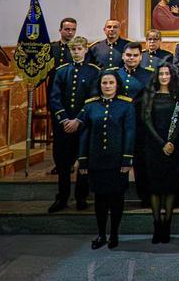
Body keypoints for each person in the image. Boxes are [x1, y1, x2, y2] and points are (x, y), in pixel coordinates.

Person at [77, 71, 135, 250]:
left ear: (117, 84)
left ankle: (114, 234)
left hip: (117, 161)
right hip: (96, 160)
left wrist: (127, 160)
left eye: (111, 83)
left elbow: (130, 133)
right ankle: (101, 233)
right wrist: (83, 159)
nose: (108, 86)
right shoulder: (90, 106)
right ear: (100, 85)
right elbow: (84, 134)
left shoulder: (126, 105)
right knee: (100, 200)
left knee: (116, 199)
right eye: (104, 83)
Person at [47, 36, 99, 213]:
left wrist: (78, 120)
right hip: (64, 126)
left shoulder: (94, 72)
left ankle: (81, 197)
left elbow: (93, 99)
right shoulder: (61, 71)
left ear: (85, 50)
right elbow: (54, 97)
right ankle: (62, 197)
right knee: (63, 163)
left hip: (83, 125)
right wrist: (64, 119)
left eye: (79, 49)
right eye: (73, 49)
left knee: (83, 162)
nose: (76, 52)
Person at [141, 63, 179, 244]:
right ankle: (157, 224)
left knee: (169, 187)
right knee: (155, 187)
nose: (164, 77)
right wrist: (162, 143)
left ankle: (167, 224)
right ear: (156, 76)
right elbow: (146, 119)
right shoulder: (150, 95)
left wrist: (171, 142)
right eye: (161, 74)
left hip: (173, 147)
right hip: (154, 147)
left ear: (171, 76)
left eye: (167, 74)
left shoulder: (178, 95)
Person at [117, 43, 153, 205]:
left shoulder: (149, 76)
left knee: (141, 162)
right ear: (123, 56)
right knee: (118, 160)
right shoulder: (114, 75)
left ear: (140, 57)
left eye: (135, 55)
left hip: (141, 126)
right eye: (128, 55)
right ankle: (118, 194)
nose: (131, 58)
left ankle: (144, 196)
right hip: (118, 126)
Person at [48, 17, 77, 84]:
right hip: (54, 85)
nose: (70, 32)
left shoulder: (79, 49)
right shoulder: (51, 47)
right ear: (60, 30)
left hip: (72, 85)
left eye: (73, 29)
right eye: (67, 29)